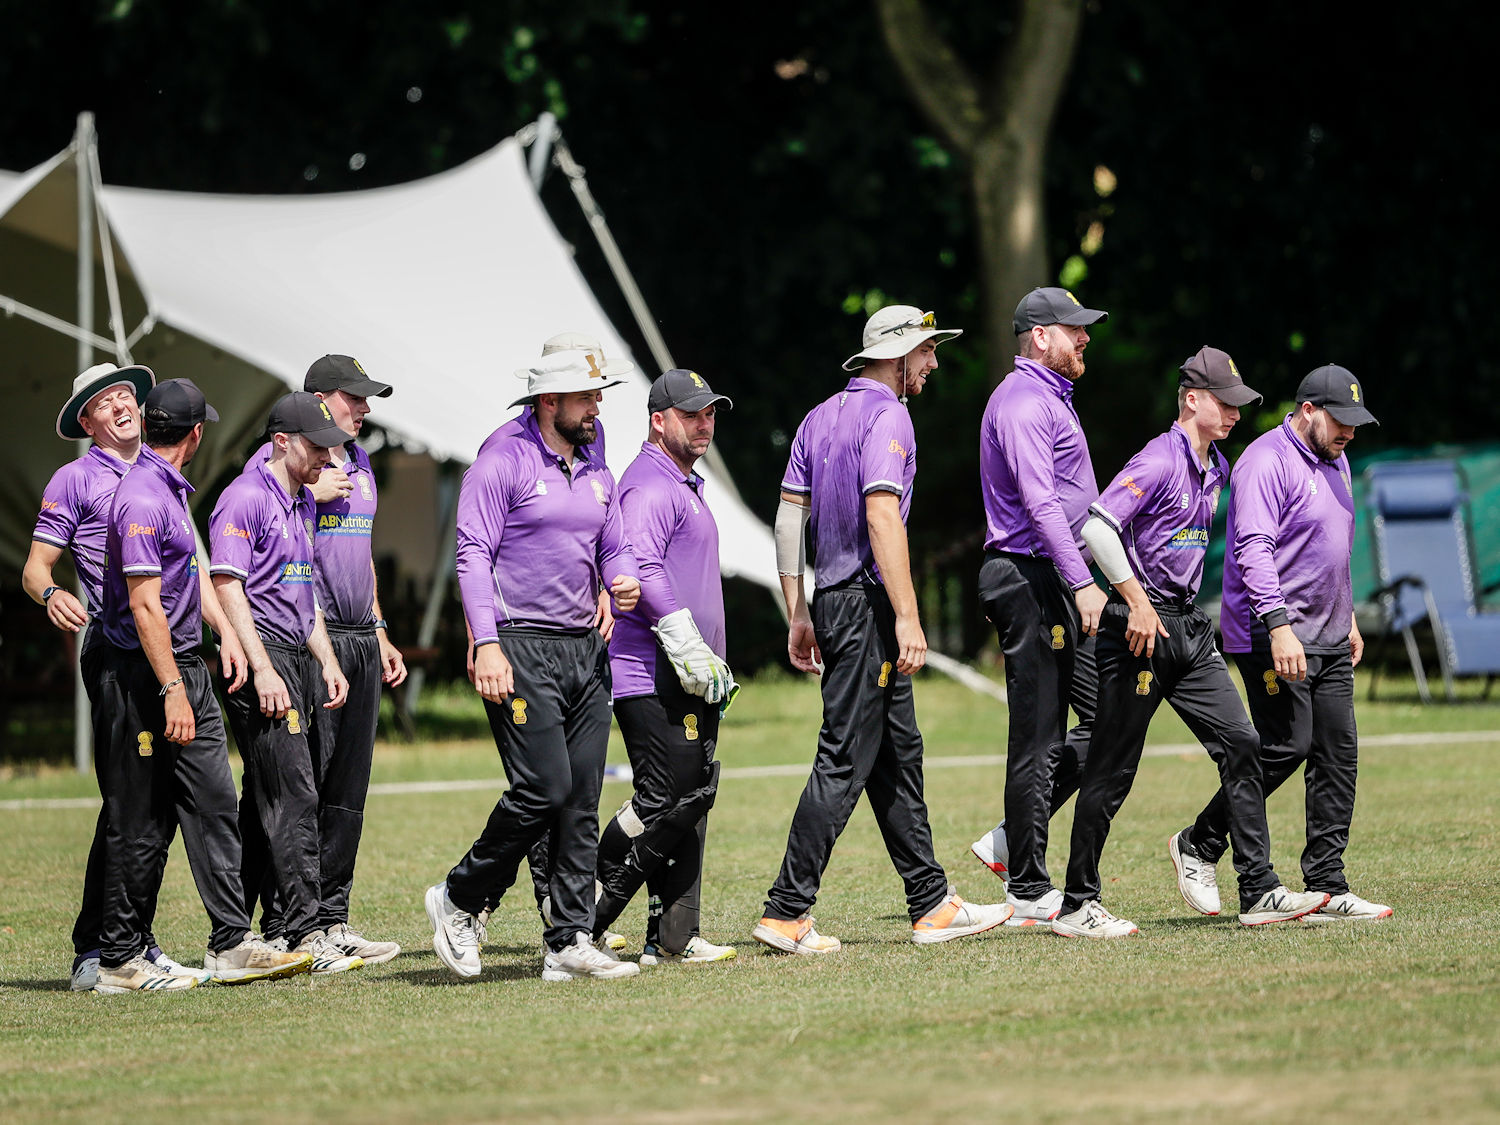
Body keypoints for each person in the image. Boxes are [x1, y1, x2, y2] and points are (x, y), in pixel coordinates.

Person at [754, 305, 1010, 954]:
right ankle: (786, 910)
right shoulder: (890, 415)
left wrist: (799, 610)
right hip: (867, 606)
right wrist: (908, 614)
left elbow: (789, 523)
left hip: (834, 601)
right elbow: (881, 515)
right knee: (843, 756)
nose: (932, 364)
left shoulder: (818, 416)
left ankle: (930, 903)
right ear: (897, 356)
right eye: (925, 353)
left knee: (898, 753)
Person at [1052, 348, 1329, 937]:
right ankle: (1078, 904)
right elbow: (1097, 527)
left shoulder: (1217, 466)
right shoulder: (1156, 459)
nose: (1233, 412)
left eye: (1238, 404)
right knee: (1113, 767)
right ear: (1192, 399)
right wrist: (1138, 602)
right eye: (1223, 401)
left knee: (1244, 743)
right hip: (1138, 631)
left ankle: (1258, 890)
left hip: (1188, 631)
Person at [426, 346, 643, 982]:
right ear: (550, 401)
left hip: (585, 647)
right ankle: (461, 897)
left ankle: (569, 942)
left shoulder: (594, 451)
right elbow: (471, 554)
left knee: (581, 798)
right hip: (520, 645)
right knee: (543, 788)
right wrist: (487, 643)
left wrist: (619, 580)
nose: (597, 406)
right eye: (587, 396)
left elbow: (613, 538)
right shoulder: (503, 459)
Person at [91, 379, 314, 991]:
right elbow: (144, 607)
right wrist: (172, 689)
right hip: (145, 676)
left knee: (214, 802)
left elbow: (191, 580)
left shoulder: (168, 490)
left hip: (186, 665)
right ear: (194, 435)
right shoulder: (142, 498)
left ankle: (231, 944)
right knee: (142, 820)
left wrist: (227, 640)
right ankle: (117, 961)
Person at [1170, 365, 1392, 922]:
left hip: (1330, 634)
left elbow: (1331, 545)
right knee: (1286, 745)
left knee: (1337, 754)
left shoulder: (1336, 459)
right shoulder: (1265, 461)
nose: (1349, 434)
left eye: (1356, 425)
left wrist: (1349, 618)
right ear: (1309, 410)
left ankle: (1326, 884)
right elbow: (1253, 549)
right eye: (1341, 421)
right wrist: (1279, 626)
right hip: (1272, 633)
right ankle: (1198, 841)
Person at [21, 362, 196, 990]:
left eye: (127, 395)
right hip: (119, 651)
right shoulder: (73, 479)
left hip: (170, 652)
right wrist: (50, 597)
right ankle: (103, 953)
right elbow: (35, 568)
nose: (121, 405)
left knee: (151, 806)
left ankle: (123, 943)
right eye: (105, 401)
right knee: (132, 804)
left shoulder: (162, 471)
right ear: (87, 422)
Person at [239, 356, 405, 965]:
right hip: (313, 639)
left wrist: (381, 629)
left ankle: (332, 919)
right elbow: (266, 538)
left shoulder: (361, 464)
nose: (363, 409)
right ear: (318, 399)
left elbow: (360, 558)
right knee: (298, 787)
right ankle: (286, 924)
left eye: (366, 400)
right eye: (353, 398)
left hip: (361, 638)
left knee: (347, 790)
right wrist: (309, 488)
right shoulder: (280, 465)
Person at [968, 287, 1109, 927]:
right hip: (1032, 576)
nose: (1084, 339)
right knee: (1039, 737)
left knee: (1111, 716)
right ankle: (1026, 887)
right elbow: (1041, 502)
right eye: (1072, 329)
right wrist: (1082, 579)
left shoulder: (1049, 397)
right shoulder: (1025, 402)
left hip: (1049, 574)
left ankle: (1009, 840)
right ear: (1039, 336)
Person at [210, 392, 361, 974]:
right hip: (266, 658)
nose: (328, 457)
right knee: (292, 794)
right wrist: (264, 667)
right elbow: (227, 587)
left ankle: (251, 935)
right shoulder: (244, 499)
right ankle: (306, 934)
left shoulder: (299, 502)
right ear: (280, 442)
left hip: (298, 656)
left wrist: (325, 658)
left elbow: (304, 596)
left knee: (275, 796)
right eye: (317, 446)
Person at [591, 368, 738, 965]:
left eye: (710, 412)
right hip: (652, 669)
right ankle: (584, 916)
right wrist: (682, 637)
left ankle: (674, 938)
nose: (705, 423)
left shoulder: (682, 482)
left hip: (689, 671)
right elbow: (640, 566)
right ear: (659, 420)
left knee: (693, 794)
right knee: (669, 797)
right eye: (692, 414)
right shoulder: (650, 485)